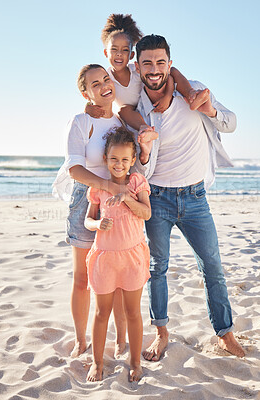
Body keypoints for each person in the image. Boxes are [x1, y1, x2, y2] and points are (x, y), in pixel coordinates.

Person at [133, 34, 245, 361]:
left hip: (195, 198)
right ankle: (161, 333)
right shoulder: (138, 109)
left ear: (170, 63)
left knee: (212, 267)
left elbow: (231, 122)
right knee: (158, 269)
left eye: (160, 62)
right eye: (147, 63)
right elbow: (142, 166)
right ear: (138, 67)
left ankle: (225, 333)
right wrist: (143, 148)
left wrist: (209, 108)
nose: (154, 69)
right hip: (158, 200)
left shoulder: (192, 89)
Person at [52, 64, 153, 359]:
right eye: (95, 84)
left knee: (120, 278)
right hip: (88, 196)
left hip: (121, 198)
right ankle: (80, 340)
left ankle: (121, 340)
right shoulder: (81, 121)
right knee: (83, 276)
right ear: (85, 92)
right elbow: (74, 168)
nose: (104, 86)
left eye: (106, 79)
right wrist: (107, 187)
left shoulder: (122, 123)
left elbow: (134, 162)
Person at [86, 13, 207, 156]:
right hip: (133, 113)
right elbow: (95, 93)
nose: (119, 54)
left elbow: (168, 76)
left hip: (149, 101)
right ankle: (146, 129)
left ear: (131, 56)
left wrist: (167, 96)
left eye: (124, 50)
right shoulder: (106, 77)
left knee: (173, 71)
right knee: (123, 110)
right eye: (114, 50)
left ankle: (192, 95)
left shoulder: (136, 70)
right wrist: (88, 107)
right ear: (106, 53)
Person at [84, 126, 151, 382]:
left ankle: (135, 362)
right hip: (105, 258)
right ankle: (97, 363)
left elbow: (146, 213)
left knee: (133, 312)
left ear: (133, 160)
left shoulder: (136, 182)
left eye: (125, 159)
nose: (119, 164)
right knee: (102, 313)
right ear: (105, 159)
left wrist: (125, 198)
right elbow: (88, 220)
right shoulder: (98, 188)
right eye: (114, 159)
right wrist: (97, 225)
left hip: (132, 257)